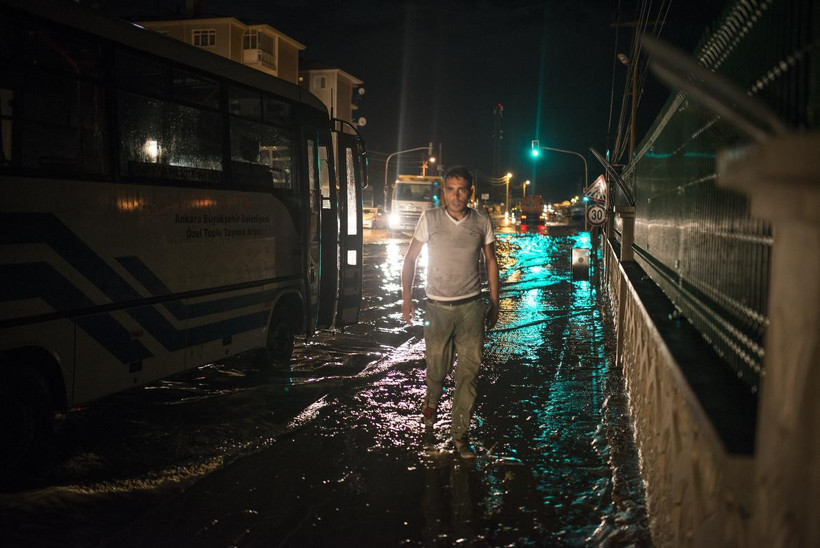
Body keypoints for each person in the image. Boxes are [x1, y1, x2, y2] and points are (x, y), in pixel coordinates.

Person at [401, 166, 500, 459]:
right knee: (437, 373)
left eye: (461, 190)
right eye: (450, 189)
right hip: (437, 308)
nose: (455, 196)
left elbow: (491, 261)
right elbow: (410, 259)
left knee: (468, 375)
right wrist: (407, 299)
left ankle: (460, 436)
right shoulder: (429, 218)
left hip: (471, 307)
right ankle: (430, 414)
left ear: (470, 192)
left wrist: (494, 301)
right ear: (444, 191)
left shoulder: (482, 220)